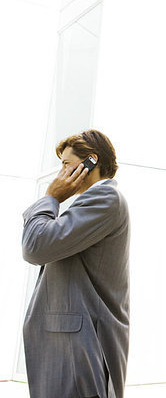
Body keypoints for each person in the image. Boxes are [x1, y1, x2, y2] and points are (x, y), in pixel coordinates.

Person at [22, 129, 130, 398]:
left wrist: (51, 197)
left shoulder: (104, 198)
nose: (61, 174)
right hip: (70, 350)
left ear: (91, 161)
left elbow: (35, 246)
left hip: (79, 352)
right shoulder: (89, 203)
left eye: (66, 164)